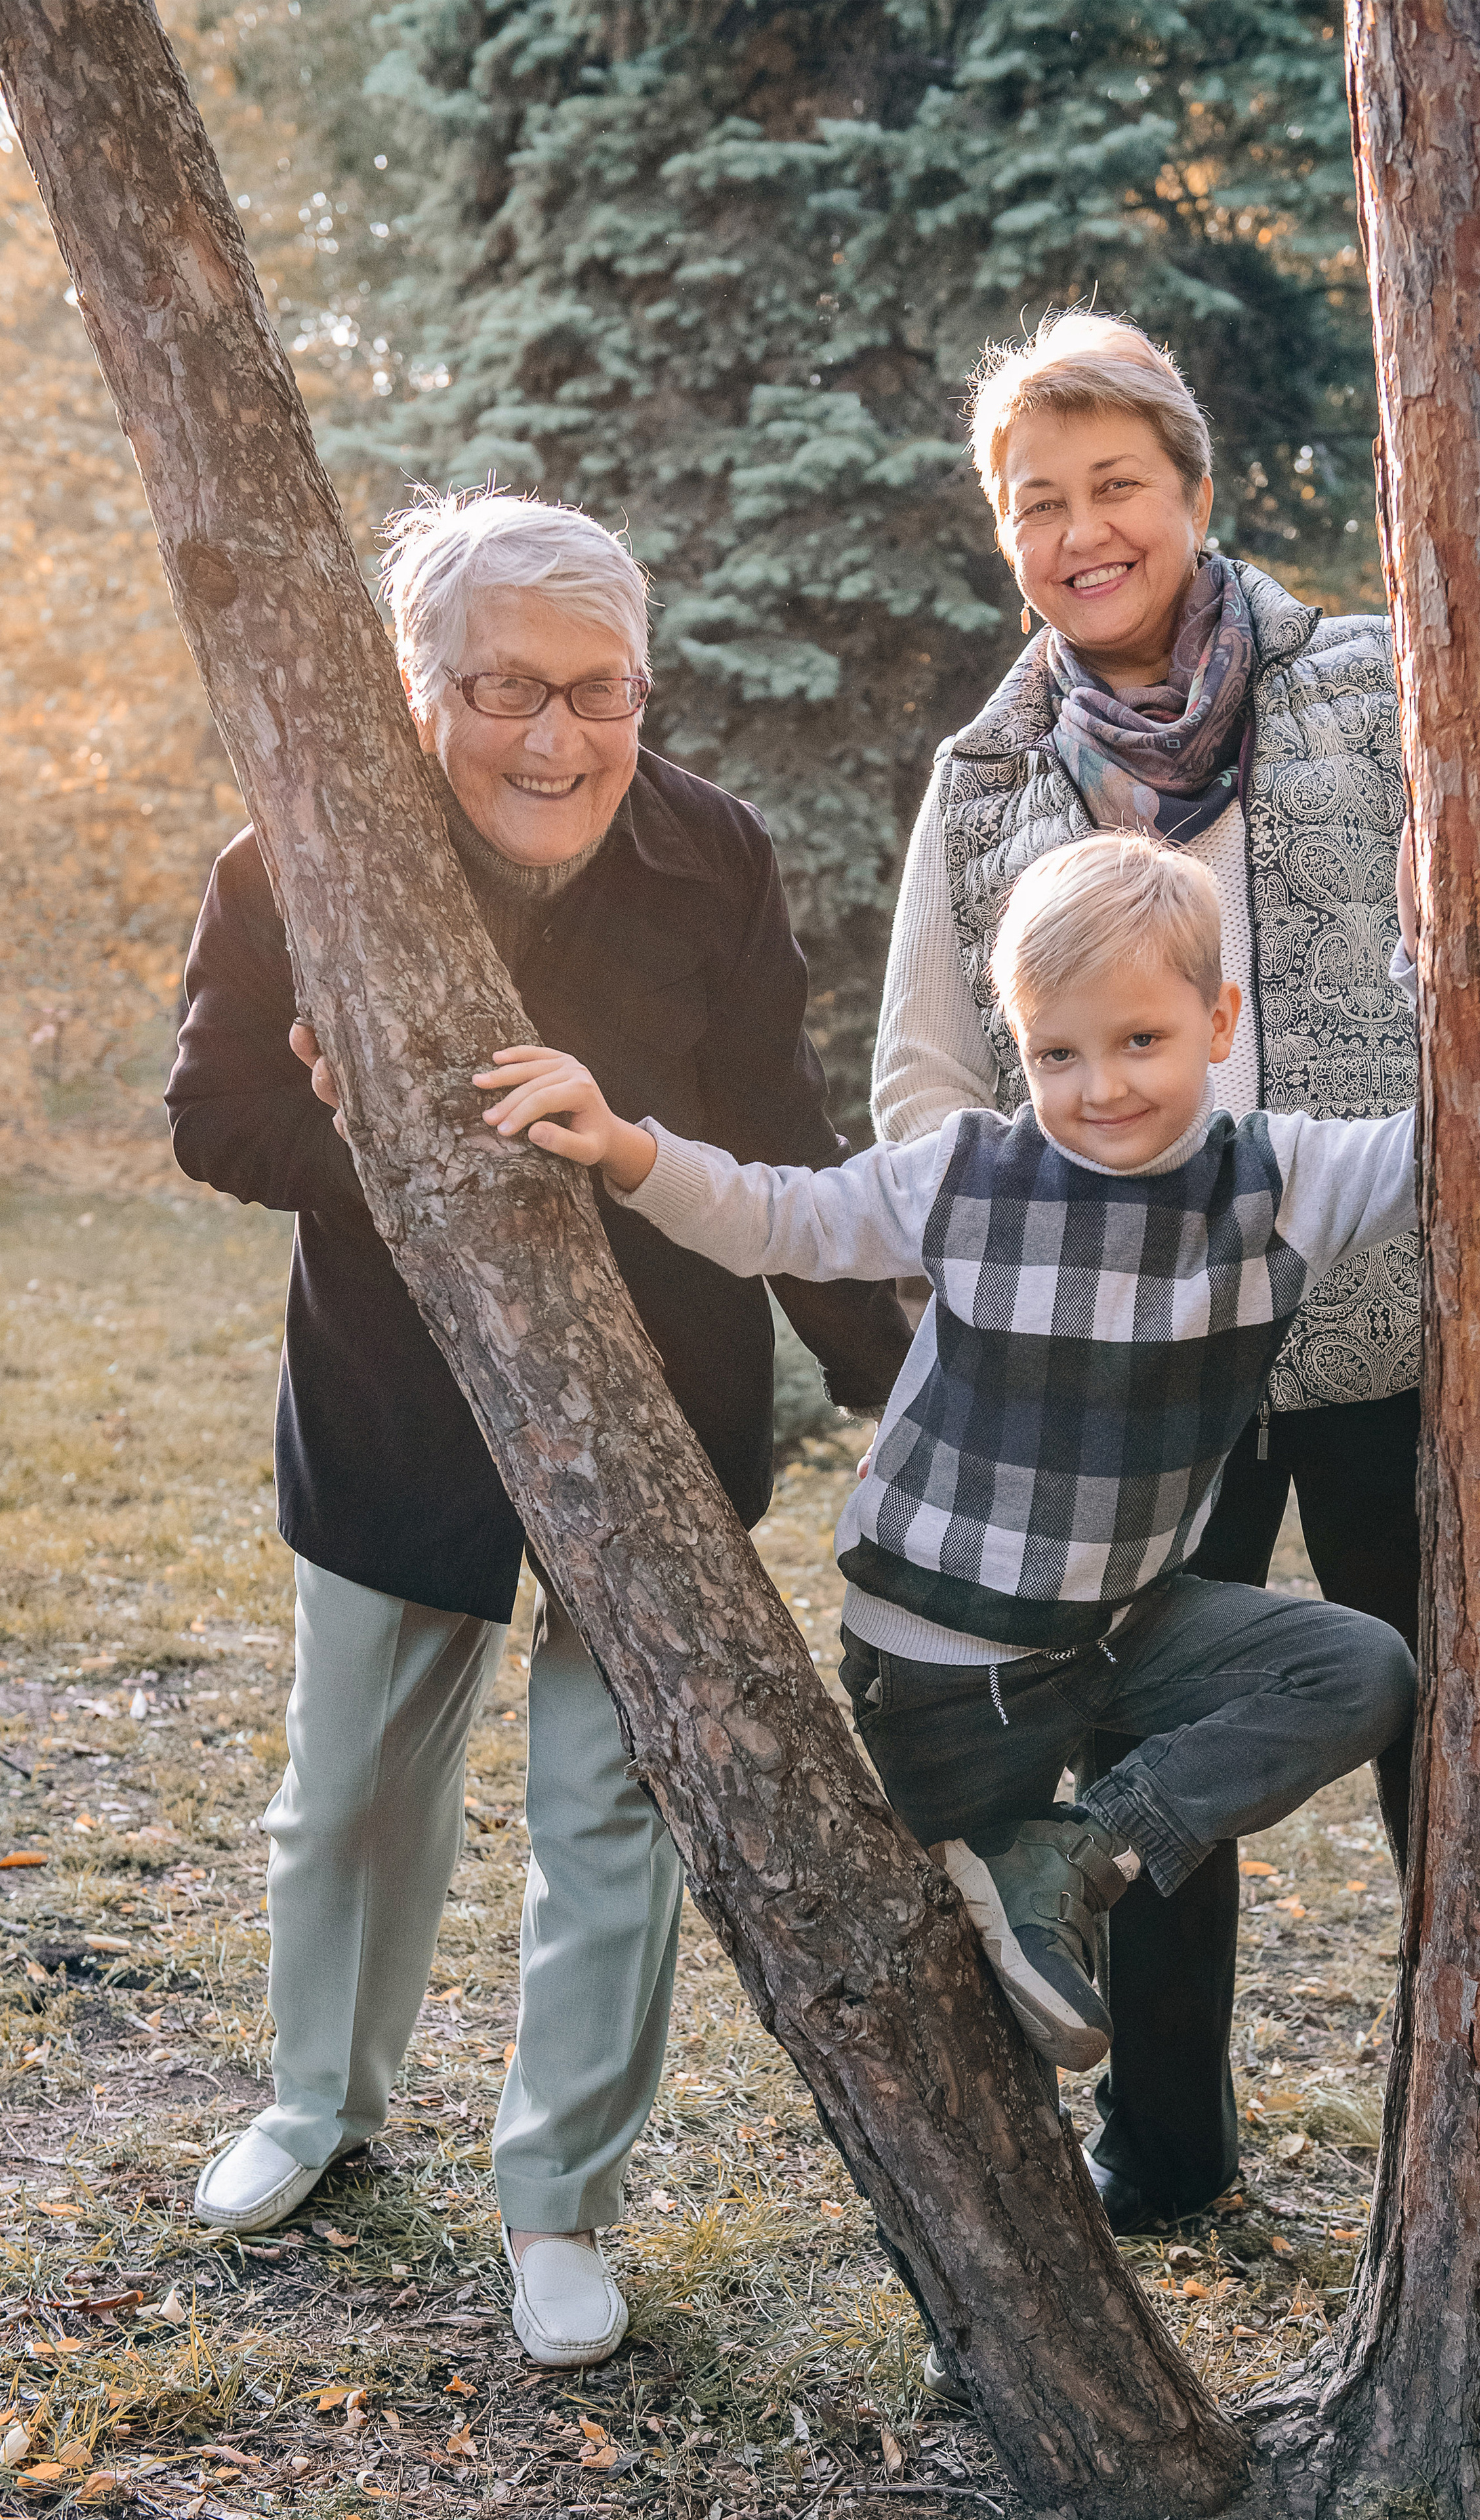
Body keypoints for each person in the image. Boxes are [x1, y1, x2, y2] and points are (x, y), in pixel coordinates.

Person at [165, 488, 909, 2368]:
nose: (555, 738)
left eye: (601, 692)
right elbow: (213, 1118)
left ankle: (560, 2201)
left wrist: (883, 1376)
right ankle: (318, 2107)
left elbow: (783, 1127)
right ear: (423, 690)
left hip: (653, 1411)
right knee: (345, 1799)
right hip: (392, 1409)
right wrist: (382, 1143)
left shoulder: (714, 857)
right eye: (506, 688)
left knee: (612, 1820)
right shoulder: (296, 863)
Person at [470, 830, 1418, 2080]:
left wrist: (1428, 954)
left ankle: (1079, 1851)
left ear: (1219, 1019)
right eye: (1057, 1054)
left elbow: (1448, 1141)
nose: (1103, 1088)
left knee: (1364, 1668)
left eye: (1142, 1041)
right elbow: (779, 1218)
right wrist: (628, 1146)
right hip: (946, 1664)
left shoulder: (1279, 1182)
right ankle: (1018, 1928)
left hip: (1115, 1629)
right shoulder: (975, 1174)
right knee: (989, 2016)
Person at [869, 308, 1420, 2233]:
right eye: (1041, 503)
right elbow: (926, 1079)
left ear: (1195, 493)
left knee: (1448, 1743)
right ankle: (1165, 2153)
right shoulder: (993, 778)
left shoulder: (1370, 688)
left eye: (1118, 487)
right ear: (1005, 536)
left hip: (1393, 1330)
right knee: (1156, 1767)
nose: (1083, 529)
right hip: (1135, 1376)